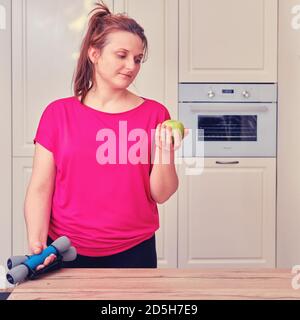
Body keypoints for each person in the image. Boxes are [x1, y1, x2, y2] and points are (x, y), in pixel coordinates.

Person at [24, 1, 187, 269]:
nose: (131, 66)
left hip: (135, 249)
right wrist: (37, 243)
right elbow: (41, 188)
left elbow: (162, 194)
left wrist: (166, 150)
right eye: (121, 55)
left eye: (137, 59)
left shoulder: (156, 114)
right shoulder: (57, 114)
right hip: (65, 248)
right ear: (94, 54)